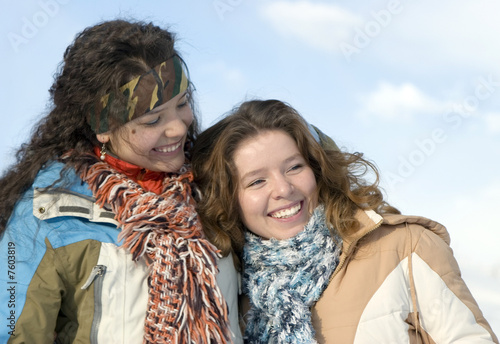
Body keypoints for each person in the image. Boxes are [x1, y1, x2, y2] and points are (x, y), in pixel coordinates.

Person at [0, 19, 242, 343]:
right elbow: (14, 332)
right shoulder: (48, 213)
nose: (178, 128)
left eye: (182, 104)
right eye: (153, 119)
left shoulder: (215, 188)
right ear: (104, 127)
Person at [191, 99, 498, 343]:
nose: (283, 189)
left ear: (318, 169)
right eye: (257, 182)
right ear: (229, 199)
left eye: (294, 167)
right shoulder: (232, 289)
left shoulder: (404, 246)